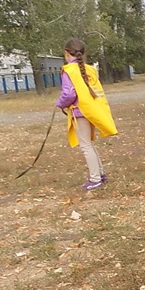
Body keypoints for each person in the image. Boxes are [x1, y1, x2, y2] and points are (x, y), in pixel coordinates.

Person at [55, 38, 117, 190]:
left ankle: (95, 179)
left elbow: (69, 94)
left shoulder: (68, 70)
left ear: (66, 53)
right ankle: (100, 174)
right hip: (91, 110)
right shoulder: (90, 69)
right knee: (89, 144)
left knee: (86, 145)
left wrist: (60, 104)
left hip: (79, 111)